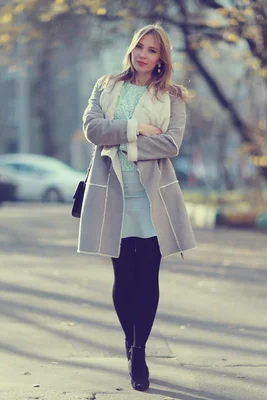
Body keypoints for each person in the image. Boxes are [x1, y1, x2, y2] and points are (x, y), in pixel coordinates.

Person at [77, 23, 196, 392]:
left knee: (148, 278)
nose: (143, 54)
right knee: (123, 280)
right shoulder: (107, 85)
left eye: (152, 50)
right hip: (113, 193)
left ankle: (138, 352)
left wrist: (127, 144)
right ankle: (129, 343)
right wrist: (138, 130)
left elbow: (172, 144)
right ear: (131, 49)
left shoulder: (172, 96)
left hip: (151, 197)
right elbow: (93, 131)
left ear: (162, 58)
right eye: (139, 47)